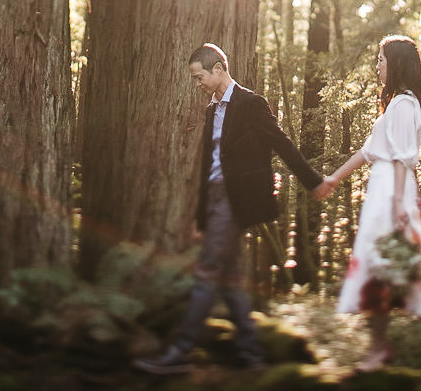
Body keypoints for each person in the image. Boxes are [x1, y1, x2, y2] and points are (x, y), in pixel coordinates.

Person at [132, 43, 325, 376]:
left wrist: (313, 182)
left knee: (207, 272)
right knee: (231, 278)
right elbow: (209, 166)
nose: (198, 84)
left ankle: (180, 351)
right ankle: (252, 356)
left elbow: (282, 143)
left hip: (237, 201)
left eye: (199, 76)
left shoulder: (251, 104)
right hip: (216, 199)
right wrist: (201, 218)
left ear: (219, 69)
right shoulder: (211, 110)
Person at [315, 34, 421, 373]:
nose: (377, 65)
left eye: (381, 59)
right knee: (378, 268)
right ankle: (383, 347)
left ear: (396, 64)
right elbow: (369, 151)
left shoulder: (406, 104)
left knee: (400, 268)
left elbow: (402, 158)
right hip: (382, 194)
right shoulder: (396, 104)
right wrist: (334, 178)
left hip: (393, 196)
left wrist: (397, 204)